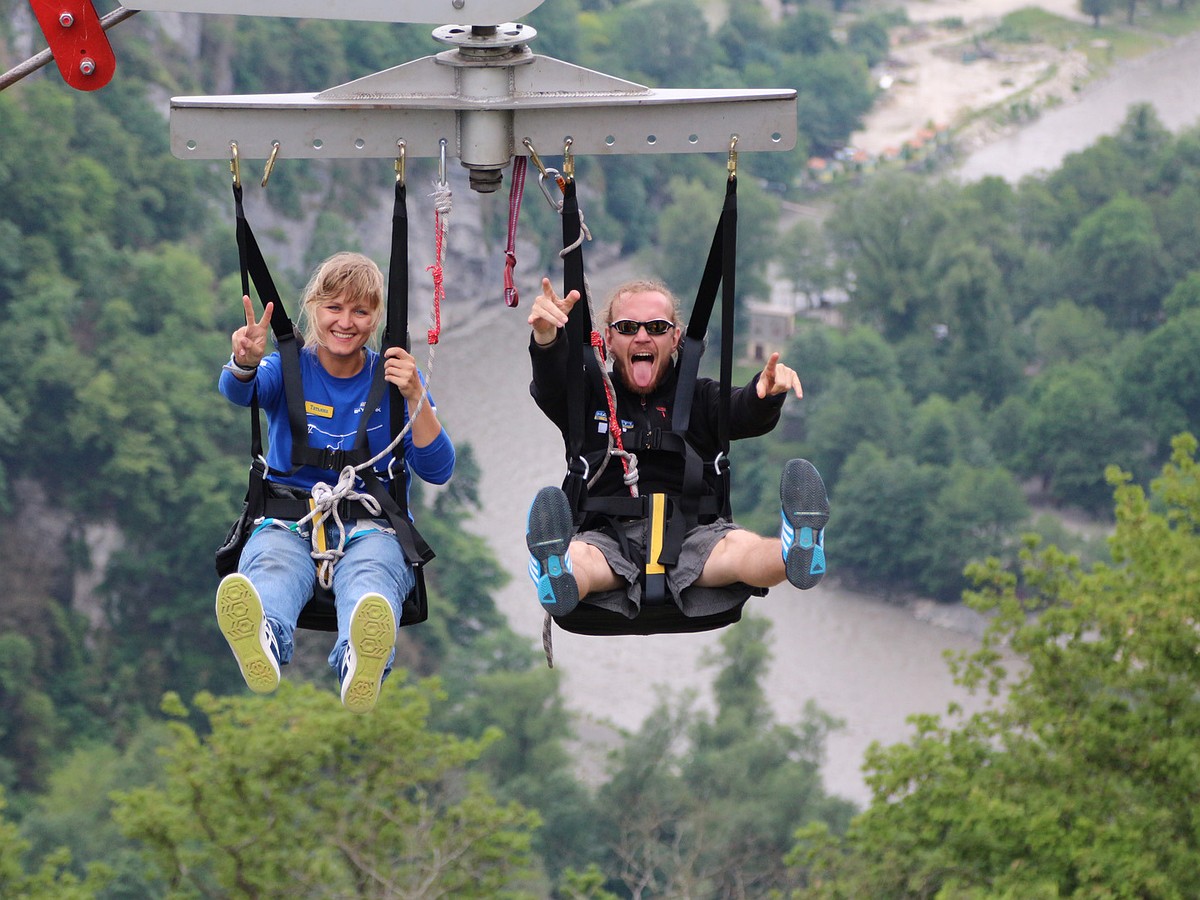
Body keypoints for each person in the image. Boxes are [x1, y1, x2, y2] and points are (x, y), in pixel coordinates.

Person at [214, 252, 454, 713]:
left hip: (369, 522)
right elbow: (238, 390)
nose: (346, 322)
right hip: (289, 515)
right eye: (334, 308)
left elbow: (438, 468)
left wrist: (415, 395)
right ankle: (264, 630)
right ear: (313, 309)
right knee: (274, 564)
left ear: (376, 319)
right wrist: (244, 360)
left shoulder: (394, 379)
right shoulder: (287, 368)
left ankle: (360, 657)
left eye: (360, 311)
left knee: (371, 573)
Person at [524, 276, 829, 621]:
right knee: (584, 561)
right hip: (606, 538)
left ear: (675, 339)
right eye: (627, 327)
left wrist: (765, 395)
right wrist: (547, 337)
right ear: (607, 339)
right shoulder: (588, 398)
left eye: (656, 327)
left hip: (693, 537)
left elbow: (741, 412)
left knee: (740, 550)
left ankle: (797, 551)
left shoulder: (699, 398)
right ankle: (556, 574)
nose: (642, 336)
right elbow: (551, 386)